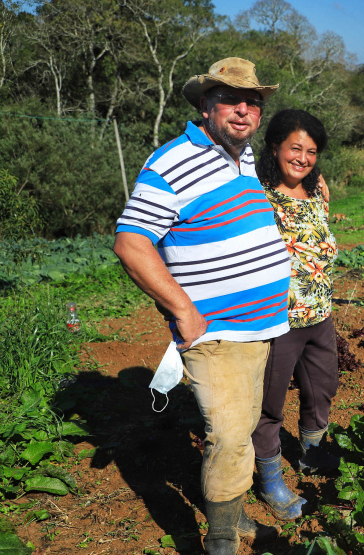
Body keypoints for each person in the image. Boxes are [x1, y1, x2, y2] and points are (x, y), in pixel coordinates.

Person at [112, 58, 305, 555]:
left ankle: (233, 516)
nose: (243, 110)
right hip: (218, 333)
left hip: (258, 327)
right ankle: (220, 539)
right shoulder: (172, 161)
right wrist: (182, 309)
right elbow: (132, 242)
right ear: (205, 105)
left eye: (253, 102)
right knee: (229, 437)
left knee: (238, 430)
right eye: (230, 100)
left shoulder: (240, 159)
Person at [251, 109, 341, 499]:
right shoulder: (257, 194)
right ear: (275, 147)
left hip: (320, 315)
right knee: (269, 404)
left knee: (322, 388)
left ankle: (312, 454)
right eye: (295, 148)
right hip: (278, 319)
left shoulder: (317, 192)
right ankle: (270, 480)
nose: (303, 158)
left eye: (311, 151)